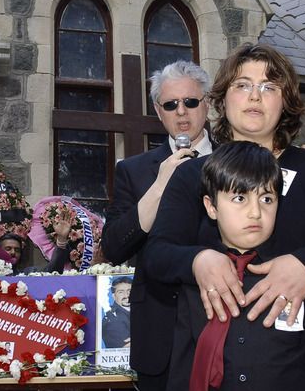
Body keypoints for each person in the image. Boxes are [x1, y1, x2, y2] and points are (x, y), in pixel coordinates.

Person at [143, 44, 305, 389]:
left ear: (285, 102)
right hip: (214, 364)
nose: (255, 96)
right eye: (243, 85)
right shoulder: (193, 174)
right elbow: (157, 252)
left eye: (269, 87)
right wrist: (198, 260)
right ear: (222, 99)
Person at [186, 140, 305, 390]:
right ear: (211, 207)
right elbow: (181, 367)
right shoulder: (197, 281)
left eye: (266, 199)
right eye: (240, 197)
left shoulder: (302, 277)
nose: (255, 212)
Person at [101, 60, 213, 390]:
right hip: (160, 325)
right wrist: (160, 185)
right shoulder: (134, 171)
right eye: (171, 104)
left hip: (223, 320)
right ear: (158, 110)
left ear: (207, 103)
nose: (182, 112)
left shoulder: (235, 159)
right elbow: (114, 247)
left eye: (191, 101)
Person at [102, 276, 132, 349]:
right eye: (121, 292)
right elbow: (127, 347)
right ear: (113, 296)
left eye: (130, 291)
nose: (127, 295)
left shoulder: (139, 311)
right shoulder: (113, 319)